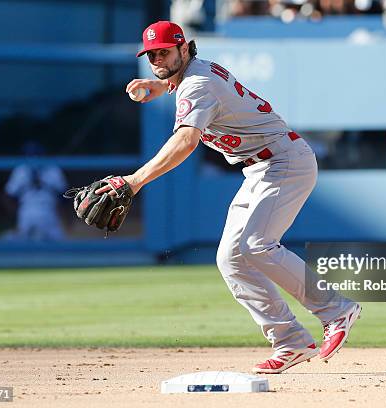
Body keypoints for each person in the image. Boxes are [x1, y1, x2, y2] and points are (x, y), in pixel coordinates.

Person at [99, 21, 361, 374]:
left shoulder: (198, 82)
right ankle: (290, 340)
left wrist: (134, 181)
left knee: (256, 244)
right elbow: (193, 85)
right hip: (260, 169)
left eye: (165, 51)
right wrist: (163, 85)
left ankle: (335, 309)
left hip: (283, 162)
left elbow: (186, 141)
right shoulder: (192, 76)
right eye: (152, 54)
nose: (158, 59)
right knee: (231, 259)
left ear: (186, 48)